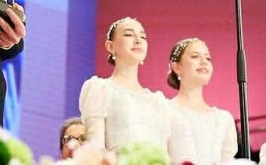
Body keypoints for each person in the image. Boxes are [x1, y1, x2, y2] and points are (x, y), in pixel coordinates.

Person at [78, 17, 194, 163]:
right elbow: (96, 150)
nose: (138, 40)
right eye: (128, 34)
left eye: (143, 37)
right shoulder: (100, 88)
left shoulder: (159, 102)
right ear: (110, 46)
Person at [167, 38, 238, 164]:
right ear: (177, 67)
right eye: (195, 56)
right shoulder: (165, 110)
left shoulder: (223, 119)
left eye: (208, 58)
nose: (204, 62)